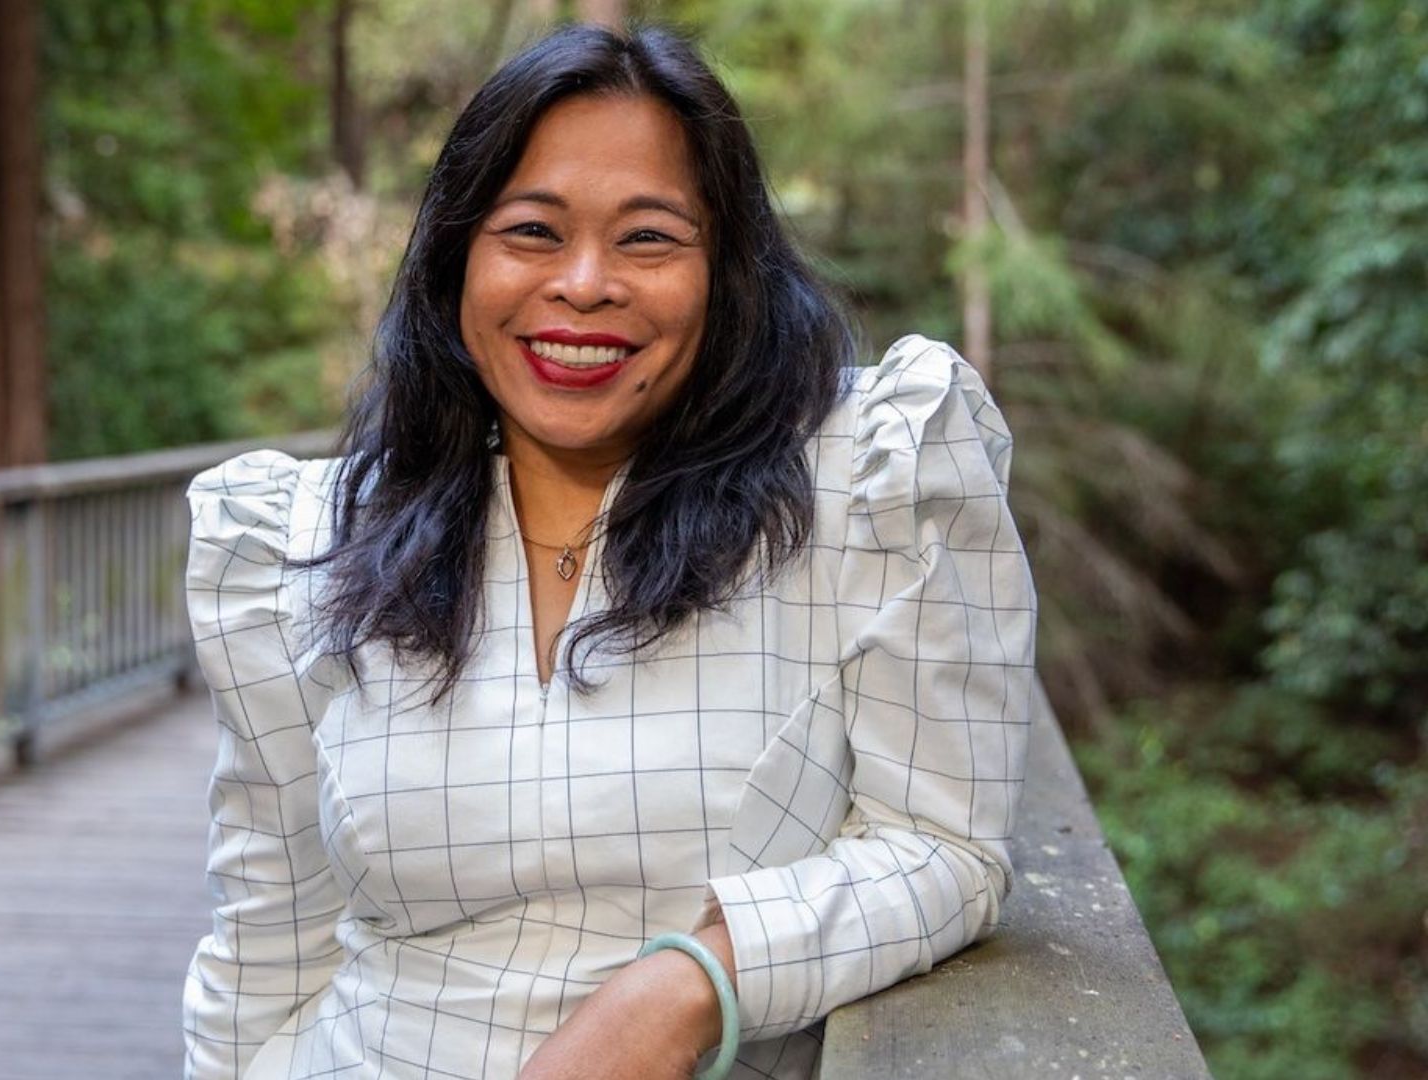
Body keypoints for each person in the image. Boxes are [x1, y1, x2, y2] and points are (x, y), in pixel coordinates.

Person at [182, 22, 1036, 1080]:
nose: (584, 284)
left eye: (648, 239)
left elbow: (947, 848)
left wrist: (686, 988)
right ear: (457, 260)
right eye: (532, 231)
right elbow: (267, 951)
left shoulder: (865, 480)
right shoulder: (312, 543)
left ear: (727, 270)